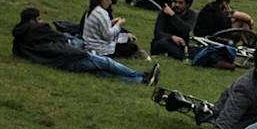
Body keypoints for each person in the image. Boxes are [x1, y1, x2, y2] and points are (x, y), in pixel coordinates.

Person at [12, 6, 159, 83]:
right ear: (33, 21)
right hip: (69, 57)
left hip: (61, 62)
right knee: (106, 63)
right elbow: (59, 43)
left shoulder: (19, 40)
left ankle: (139, 81)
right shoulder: (39, 30)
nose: (41, 21)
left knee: (101, 73)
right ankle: (140, 76)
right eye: (39, 18)